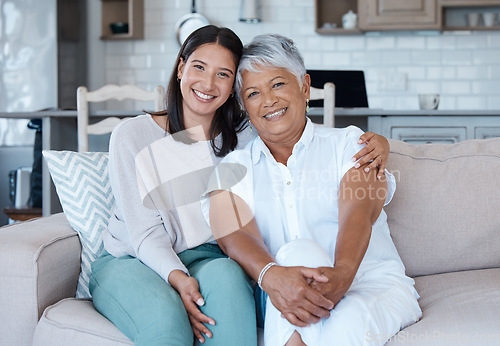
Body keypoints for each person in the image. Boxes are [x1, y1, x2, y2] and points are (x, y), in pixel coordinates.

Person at [89, 25, 390, 345]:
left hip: (211, 259)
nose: (207, 83)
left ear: (235, 86)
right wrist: (179, 282)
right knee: (167, 327)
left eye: (223, 74)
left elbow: (304, 138)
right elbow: (144, 234)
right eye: (199, 67)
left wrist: (379, 143)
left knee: (231, 309)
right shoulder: (133, 136)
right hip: (136, 258)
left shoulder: (246, 134)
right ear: (181, 68)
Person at [204, 33, 422, 346]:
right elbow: (234, 235)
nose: (268, 100)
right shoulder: (233, 169)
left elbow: (359, 210)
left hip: (369, 285)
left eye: (278, 84)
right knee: (296, 254)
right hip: (287, 295)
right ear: (244, 107)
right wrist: (270, 275)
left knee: (342, 323)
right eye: (253, 93)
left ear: (305, 87)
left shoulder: (349, 144)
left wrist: (344, 274)